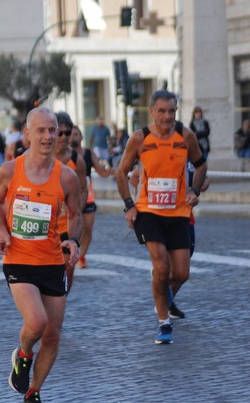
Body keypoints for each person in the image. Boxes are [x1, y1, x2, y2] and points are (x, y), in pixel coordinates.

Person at [0, 107, 82, 403]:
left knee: (54, 335)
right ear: (26, 134)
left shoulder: (67, 177)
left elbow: (76, 214)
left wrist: (74, 240)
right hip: (18, 258)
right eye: (40, 130)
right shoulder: (9, 170)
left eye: (52, 130)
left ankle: (33, 395)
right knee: (37, 322)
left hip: (52, 262)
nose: (47, 136)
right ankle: (23, 354)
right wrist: (3, 228)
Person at [116, 89, 207, 345]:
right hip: (148, 212)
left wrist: (195, 189)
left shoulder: (185, 135)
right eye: (162, 111)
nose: (167, 117)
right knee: (162, 267)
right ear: (152, 112)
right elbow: (121, 173)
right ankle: (164, 322)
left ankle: (160, 290)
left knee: (181, 273)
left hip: (178, 212)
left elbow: (201, 165)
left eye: (172, 111)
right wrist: (129, 206)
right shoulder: (139, 139)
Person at [70, 125, 114, 269]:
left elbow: (101, 171)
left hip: (88, 197)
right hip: (69, 198)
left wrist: (114, 171)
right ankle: (68, 254)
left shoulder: (88, 153)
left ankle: (81, 256)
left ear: (82, 137)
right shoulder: (65, 155)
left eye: (76, 134)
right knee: (71, 228)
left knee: (88, 229)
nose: (73, 137)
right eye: (71, 135)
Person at [54, 111, 88, 293]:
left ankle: (60, 302)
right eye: (60, 133)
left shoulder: (77, 161)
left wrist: (76, 209)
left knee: (68, 268)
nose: (64, 137)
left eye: (68, 133)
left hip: (68, 226)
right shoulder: (43, 158)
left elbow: (83, 189)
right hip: (46, 227)